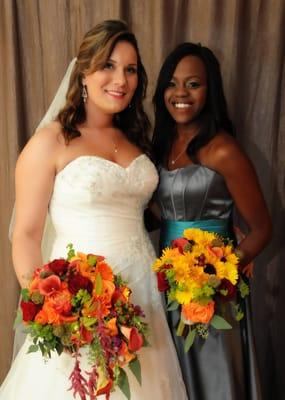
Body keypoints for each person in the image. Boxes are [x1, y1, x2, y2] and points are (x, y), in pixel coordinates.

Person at [0, 20, 187, 400]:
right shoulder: (51, 141)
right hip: (83, 304)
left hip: (142, 300)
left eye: (130, 69)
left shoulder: (137, 138)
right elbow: (26, 234)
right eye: (108, 65)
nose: (121, 79)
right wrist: (52, 306)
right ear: (83, 72)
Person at [152, 42, 272, 400]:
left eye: (193, 84)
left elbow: (263, 228)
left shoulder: (223, 150)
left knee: (214, 382)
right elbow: (159, 212)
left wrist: (217, 277)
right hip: (167, 287)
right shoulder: (160, 145)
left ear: (210, 91)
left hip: (213, 295)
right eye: (172, 83)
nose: (181, 94)